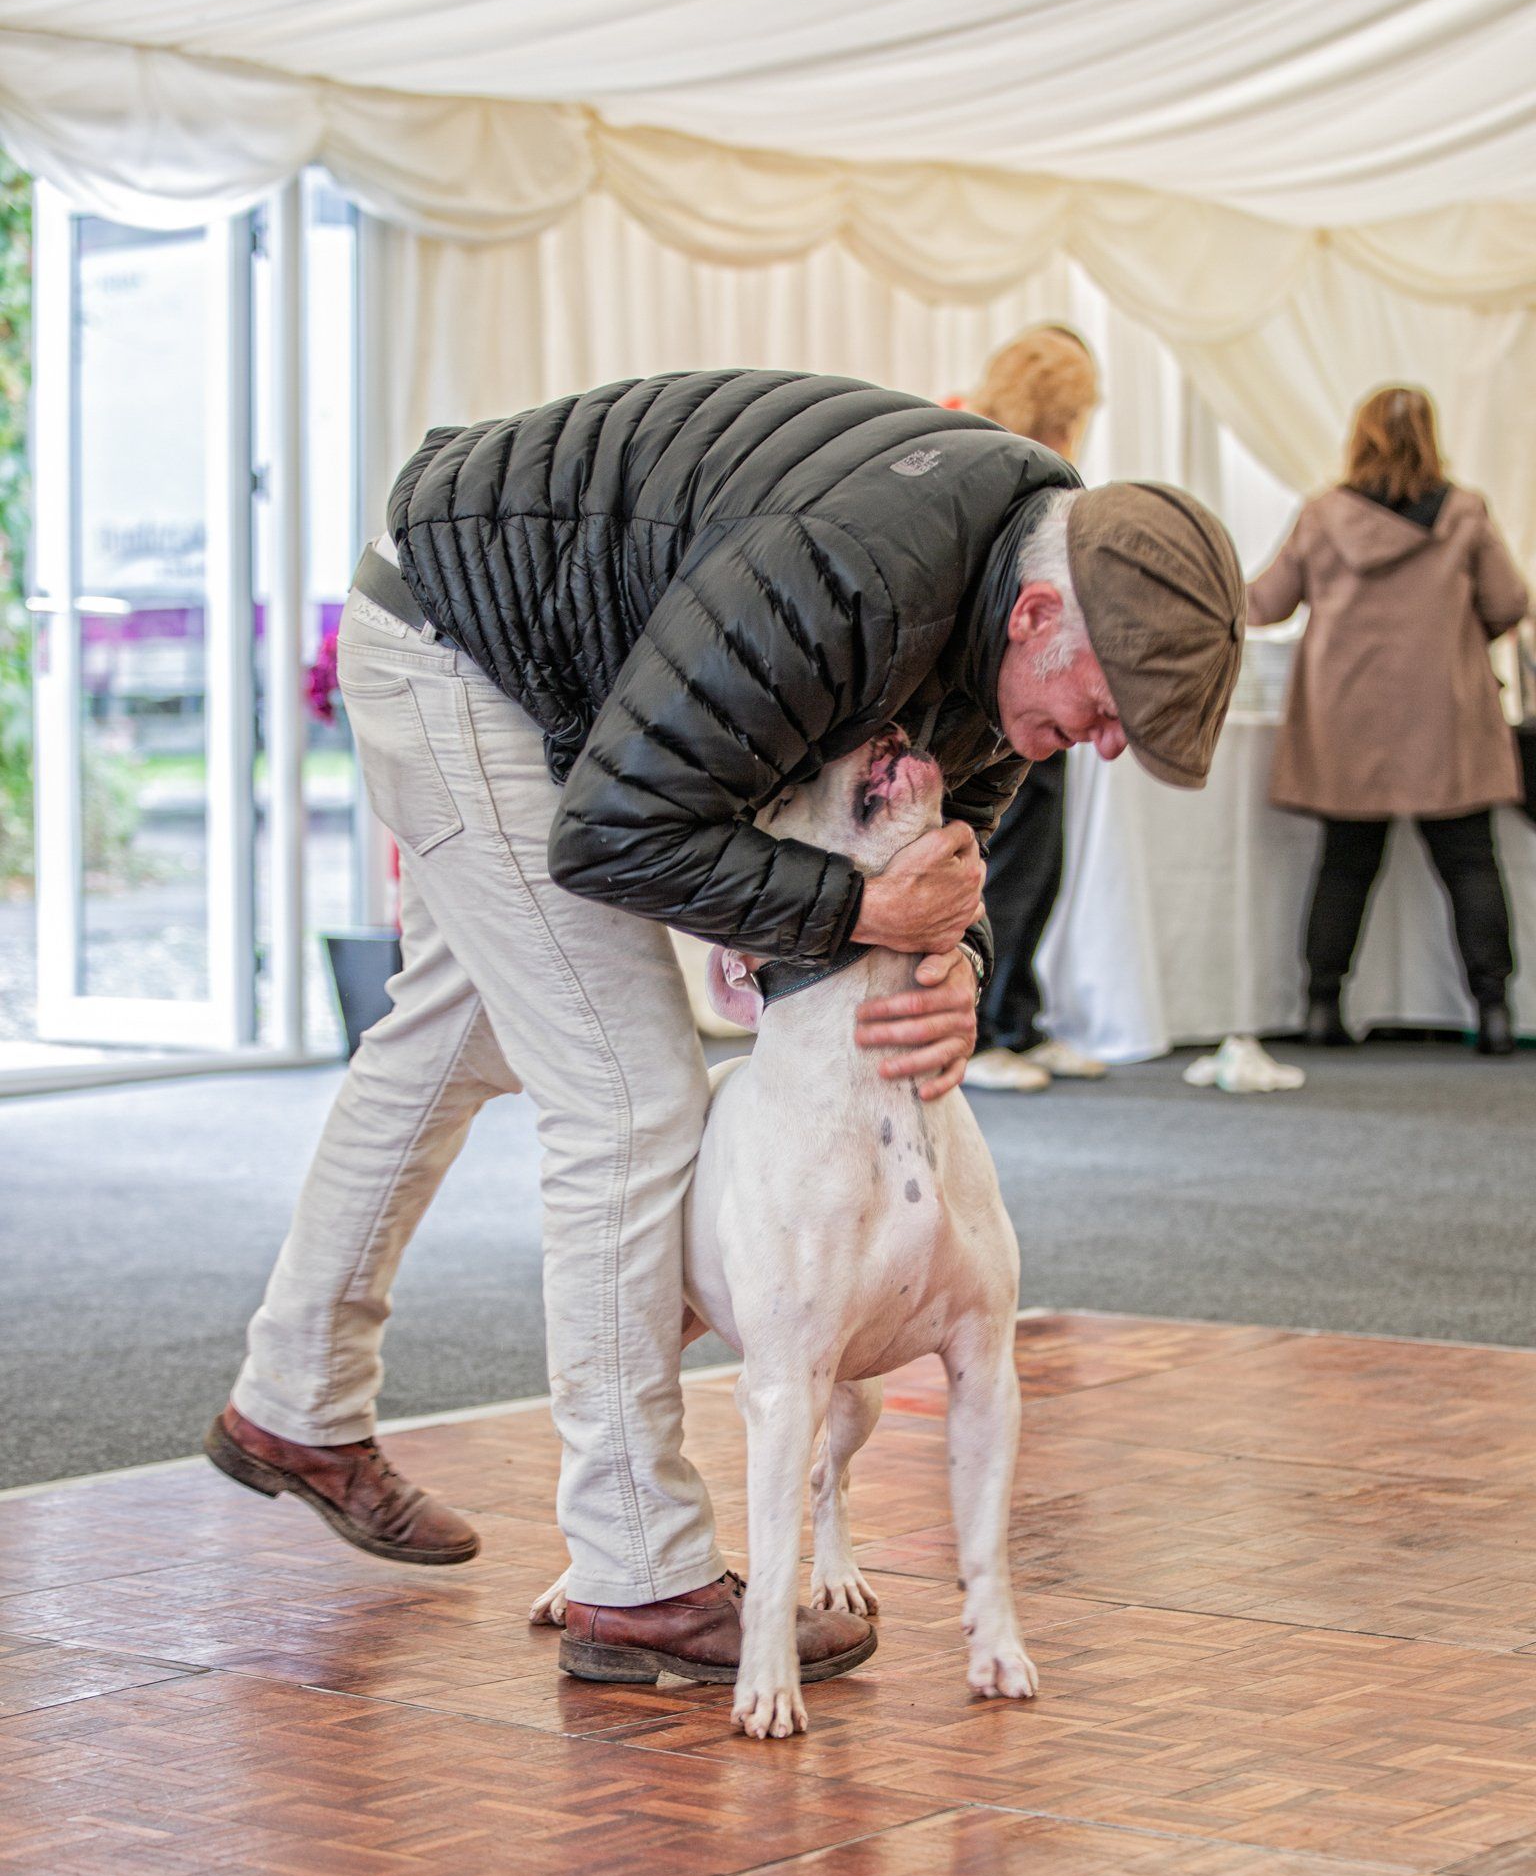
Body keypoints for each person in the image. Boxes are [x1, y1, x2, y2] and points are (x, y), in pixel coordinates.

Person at [207, 370, 1244, 1689]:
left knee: (453, 1038)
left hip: (552, 654)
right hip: (462, 647)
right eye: (1108, 710)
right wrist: (864, 904)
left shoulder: (1011, 600)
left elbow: (955, 831)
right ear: (1039, 613)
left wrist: (955, 958)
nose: (1100, 747)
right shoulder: (856, 576)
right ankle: (638, 1574)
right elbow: (615, 834)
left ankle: (293, 1400)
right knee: (633, 1098)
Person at [1249, 385, 1528, 1053]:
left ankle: (1322, 1007)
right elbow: (1511, 601)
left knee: (1344, 865)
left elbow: (1265, 603)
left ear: (1359, 437)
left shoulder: (1322, 516)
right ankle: (1493, 1012)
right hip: (1446, 716)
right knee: (1470, 863)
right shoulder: (1464, 512)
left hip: (1350, 721)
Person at [951, 326, 1108, 1092]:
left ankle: (1017, 1015)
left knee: (1034, 865)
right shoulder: (999, 462)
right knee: (1003, 864)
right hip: (1000, 702)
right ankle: (979, 1032)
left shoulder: (990, 450)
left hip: (1036, 696)